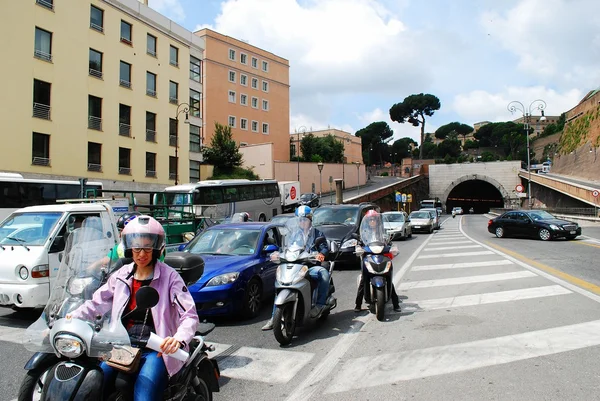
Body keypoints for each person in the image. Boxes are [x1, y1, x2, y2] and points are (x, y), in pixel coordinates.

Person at [70, 215, 199, 401]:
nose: (141, 254)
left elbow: (189, 315)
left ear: (156, 248)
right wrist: (70, 320)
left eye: (147, 248)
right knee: (92, 388)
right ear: (129, 248)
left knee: (144, 397)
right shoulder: (122, 275)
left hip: (157, 348)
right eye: (137, 248)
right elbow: (96, 303)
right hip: (123, 344)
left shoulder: (170, 278)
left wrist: (177, 339)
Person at [261, 205, 329, 330]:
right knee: (281, 283)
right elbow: (285, 247)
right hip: (294, 264)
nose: (303, 222)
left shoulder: (317, 233)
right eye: (300, 220)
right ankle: (273, 318)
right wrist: (278, 253)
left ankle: (319, 305)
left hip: (309, 264)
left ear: (310, 220)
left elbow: (324, 247)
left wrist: (321, 254)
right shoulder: (293, 234)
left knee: (323, 274)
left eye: (305, 219)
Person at [354, 210, 401, 313]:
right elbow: (360, 243)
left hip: (381, 255)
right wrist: (359, 248)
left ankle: (396, 303)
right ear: (367, 221)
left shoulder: (382, 231)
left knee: (388, 277)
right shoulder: (364, 232)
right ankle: (358, 304)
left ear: (377, 221)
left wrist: (391, 247)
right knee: (364, 279)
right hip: (368, 256)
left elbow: (388, 241)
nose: (372, 222)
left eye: (374, 220)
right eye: (370, 220)